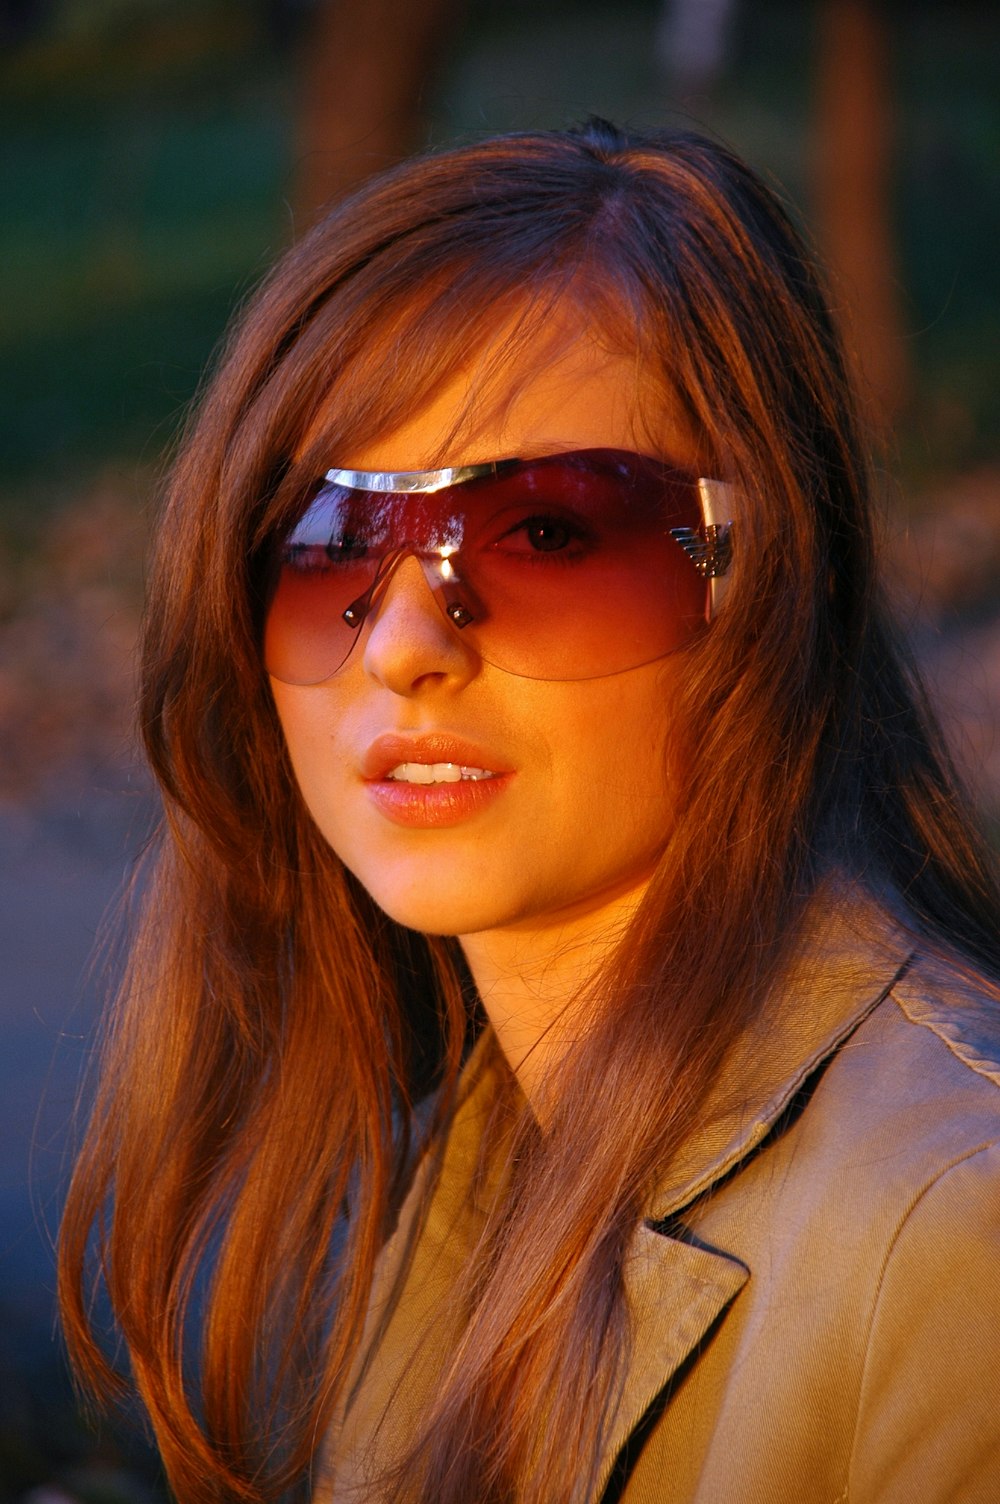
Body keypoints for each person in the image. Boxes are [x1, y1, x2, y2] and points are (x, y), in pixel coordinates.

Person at [58, 120, 1000, 1504]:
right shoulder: (488, 1134)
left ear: (765, 585)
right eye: (330, 547)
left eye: (552, 531)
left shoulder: (953, 1240)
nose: (403, 649)